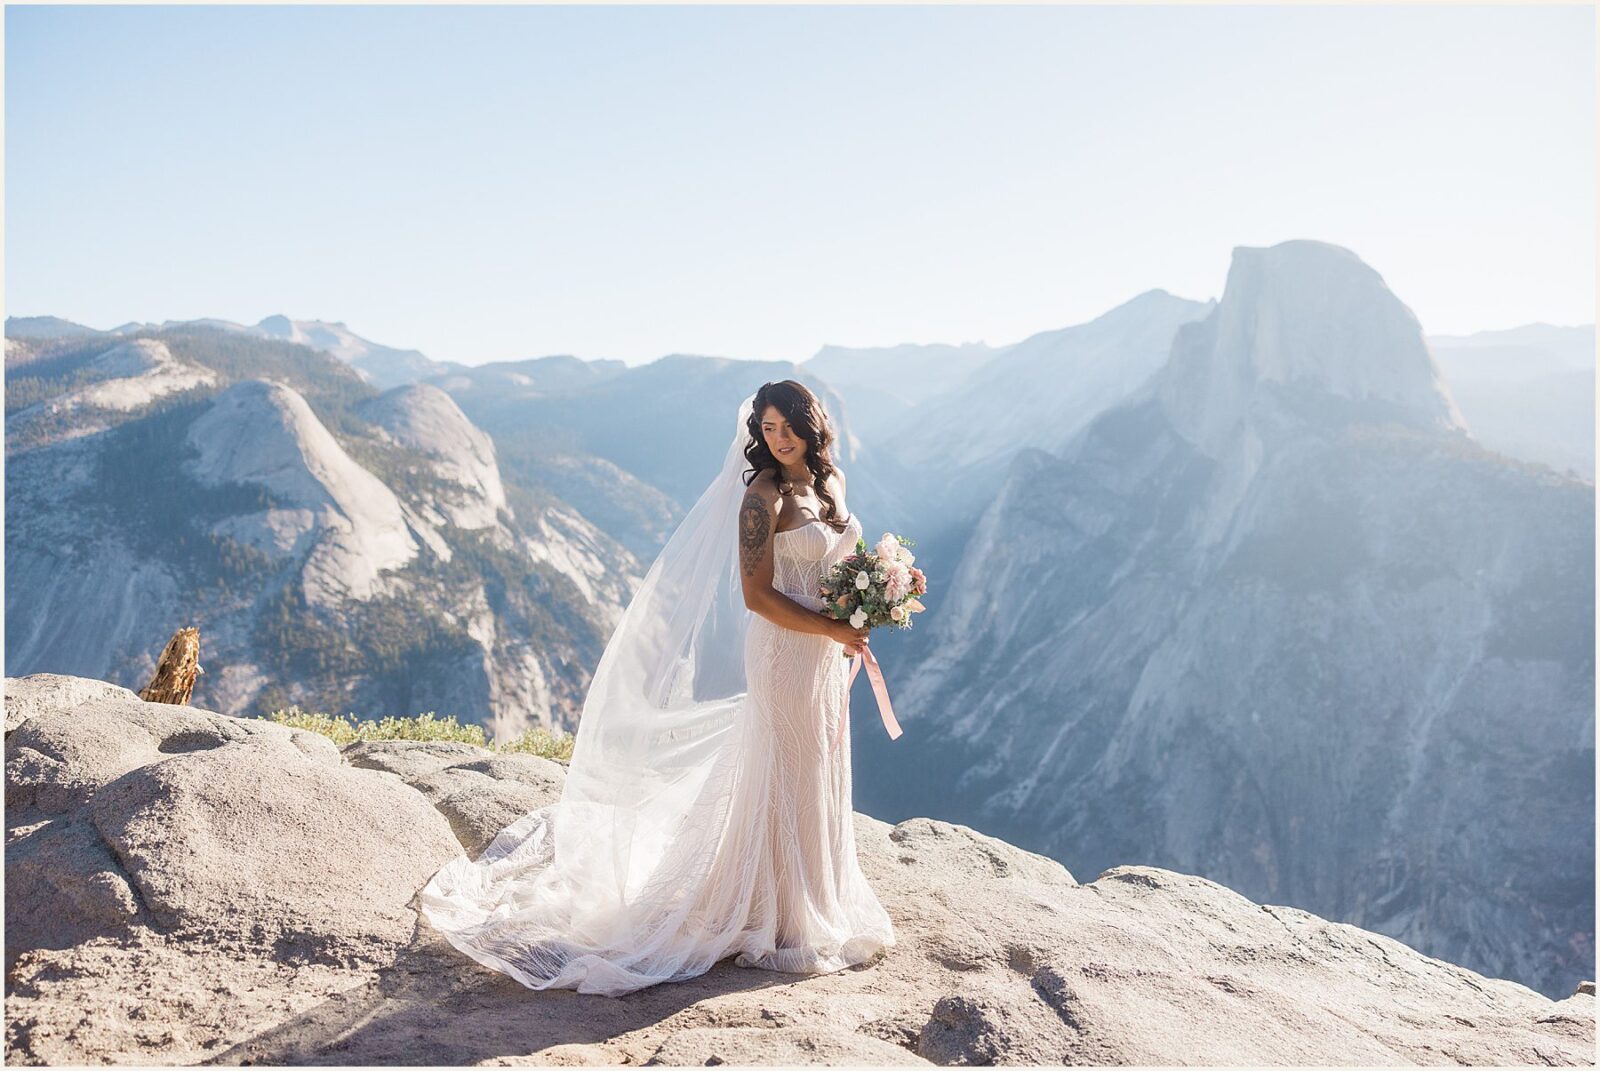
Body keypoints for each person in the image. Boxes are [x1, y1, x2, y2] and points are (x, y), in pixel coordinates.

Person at [418, 380, 896, 996]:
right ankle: (772, 913)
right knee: (785, 767)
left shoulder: (831, 484)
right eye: (767, 429)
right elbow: (757, 597)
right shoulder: (760, 498)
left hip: (825, 656)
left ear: (812, 423)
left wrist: (871, 598)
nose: (776, 440)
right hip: (783, 653)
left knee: (817, 768)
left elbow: (836, 563)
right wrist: (833, 625)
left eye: (786, 427)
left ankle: (814, 895)